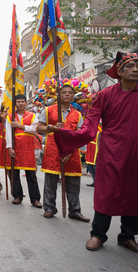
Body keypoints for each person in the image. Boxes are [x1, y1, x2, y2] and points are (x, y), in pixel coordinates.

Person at [54, 51, 138, 253]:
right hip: (111, 152)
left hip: (135, 153)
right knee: (106, 192)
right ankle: (98, 235)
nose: (135, 69)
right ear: (119, 70)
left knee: (133, 193)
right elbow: (89, 127)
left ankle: (127, 236)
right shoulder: (104, 96)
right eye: (130, 66)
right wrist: (67, 134)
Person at [36, 85, 90, 223]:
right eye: (64, 92)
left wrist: (70, 150)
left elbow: (80, 134)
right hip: (53, 149)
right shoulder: (48, 110)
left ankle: (75, 211)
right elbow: (38, 128)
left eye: (70, 93)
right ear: (58, 95)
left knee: (73, 183)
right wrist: (51, 127)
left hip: (71, 152)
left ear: (73, 96)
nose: (67, 94)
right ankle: (49, 208)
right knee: (51, 182)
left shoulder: (77, 114)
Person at [5, 95, 42, 208]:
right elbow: (8, 133)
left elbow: (35, 130)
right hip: (15, 146)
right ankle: (17, 196)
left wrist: (19, 126)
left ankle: (35, 199)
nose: (20, 103)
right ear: (15, 104)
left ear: (26, 103)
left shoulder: (33, 115)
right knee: (14, 173)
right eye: (18, 102)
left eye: (22, 101)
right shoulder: (10, 116)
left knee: (31, 174)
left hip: (27, 147)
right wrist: (10, 148)